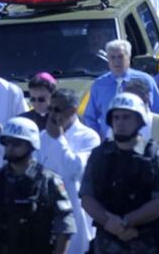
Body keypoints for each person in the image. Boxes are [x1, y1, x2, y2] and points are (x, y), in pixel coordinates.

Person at [80, 93, 159, 254]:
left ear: (139, 121)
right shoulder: (99, 155)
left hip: (146, 242)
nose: (120, 123)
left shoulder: (156, 155)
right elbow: (87, 198)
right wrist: (110, 223)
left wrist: (126, 222)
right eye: (116, 118)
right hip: (106, 243)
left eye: (126, 117)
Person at [0, 117, 76, 254]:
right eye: (6, 142)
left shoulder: (49, 181)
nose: (10, 148)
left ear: (32, 145)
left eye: (16, 143)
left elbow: (65, 226)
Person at [37, 88, 101, 254]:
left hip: (76, 213)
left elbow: (76, 171)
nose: (52, 114)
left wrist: (58, 140)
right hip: (46, 211)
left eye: (57, 109)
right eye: (50, 108)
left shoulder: (89, 137)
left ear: (72, 110)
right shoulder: (42, 136)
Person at [81, 40, 159, 139]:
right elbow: (89, 117)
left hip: (142, 140)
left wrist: (157, 140)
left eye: (120, 57)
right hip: (110, 142)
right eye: (112, 57)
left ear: (129, 57)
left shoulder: (145, 80)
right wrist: (98, 138)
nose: (116, 61)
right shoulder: (99, 85)